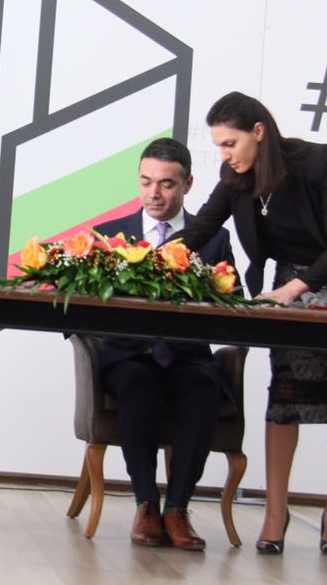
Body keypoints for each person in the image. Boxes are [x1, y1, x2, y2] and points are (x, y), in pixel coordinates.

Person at [177, 91, 327, 557]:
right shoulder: (234, 178)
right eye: (219, 146)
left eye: (230, 143)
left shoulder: (315, 162)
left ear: (258, 132)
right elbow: (199, 231)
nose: (225, 154)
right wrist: (145, 261)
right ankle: (276, 514)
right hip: (290, 280)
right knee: (285, 397)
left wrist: (297, 290)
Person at [90, 138, 238, 550]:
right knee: (137, 385)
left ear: (188, 184)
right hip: (127, 356)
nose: (154, 193)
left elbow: (234, 303)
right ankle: (146, 505)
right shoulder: (110, 235)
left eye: (167, 184)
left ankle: (177, 508)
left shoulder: (214, 240)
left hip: (186, 355)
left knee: (202, 387)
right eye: (146, 182)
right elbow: (83, 306)